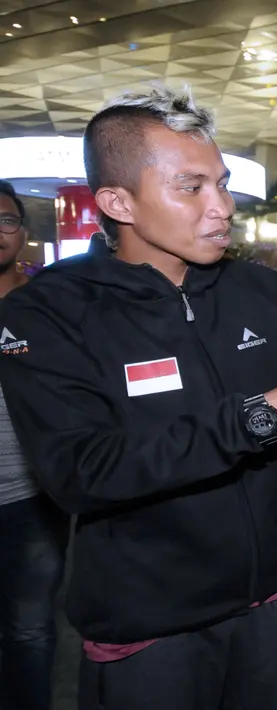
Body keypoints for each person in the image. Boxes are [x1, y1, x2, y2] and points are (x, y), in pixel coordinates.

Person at [0, 85, 277, 710]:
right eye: (192, 187)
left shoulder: (262, 293)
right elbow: (81, 471)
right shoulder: (50, 312)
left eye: (223, 183)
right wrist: (257, 418)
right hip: (151, 626)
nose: (223, 207)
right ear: (117, 202)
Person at [0, 180, 70, 710]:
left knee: (30, 632)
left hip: (31, 500)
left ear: (22, 232)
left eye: (6, 220)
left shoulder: (46, 307)